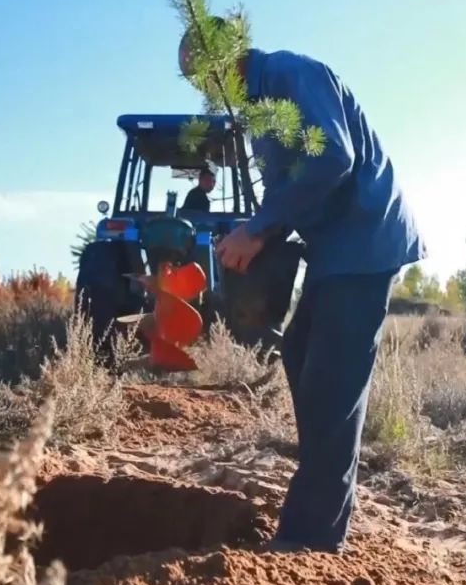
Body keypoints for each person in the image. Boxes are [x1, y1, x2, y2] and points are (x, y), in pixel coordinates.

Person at [180, 33, 427, 553]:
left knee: (332, 387)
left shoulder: (292, 75)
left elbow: (335, 154)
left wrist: (261, 228)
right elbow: (282, 191)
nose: (203, 89)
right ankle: (320, 494)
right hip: (332, 250)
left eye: (203, 75)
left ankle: (309, 539)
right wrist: (254, 233)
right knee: (299, 354)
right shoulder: (259, 112)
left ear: (224, 60)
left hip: (362, 240)